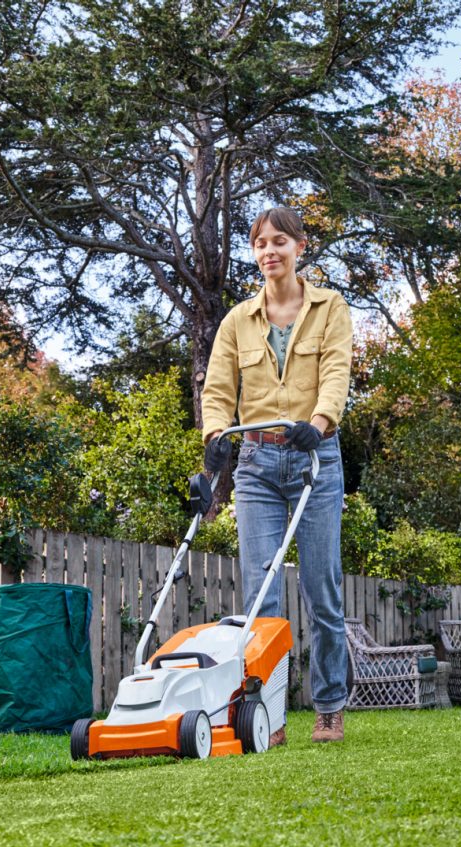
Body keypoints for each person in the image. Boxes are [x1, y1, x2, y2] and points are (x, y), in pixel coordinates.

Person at [200, 206, 354, 745]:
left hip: (317, 459)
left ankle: (330, 705)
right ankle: (267, 713)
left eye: (280, 241)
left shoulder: (330, 308)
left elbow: (336, 371)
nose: (270, 251)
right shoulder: (237, 322)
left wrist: (318, 422)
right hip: (258, 464)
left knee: (321, 589)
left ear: (300, 247)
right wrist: (215, 436)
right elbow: (218, 389)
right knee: (260, 595)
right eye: (261, 243)